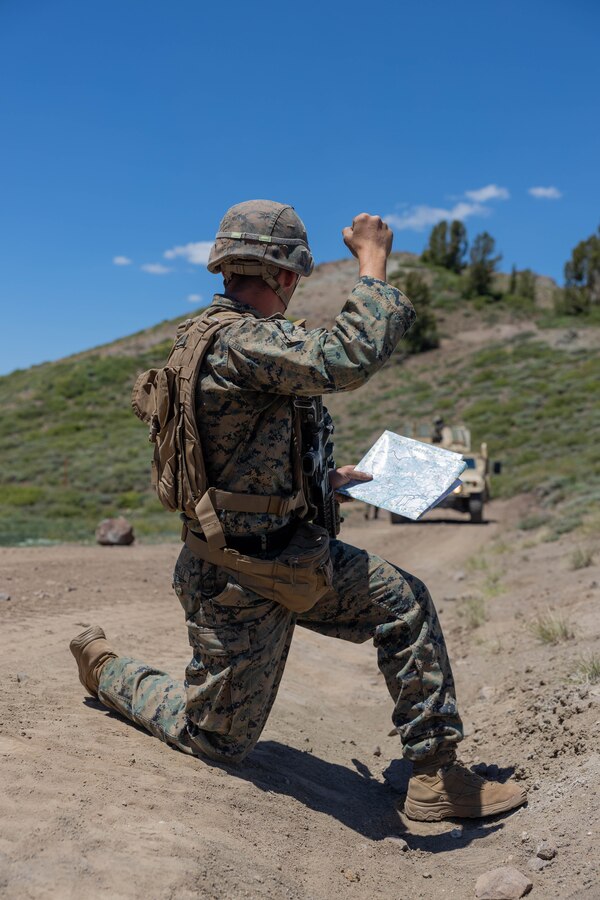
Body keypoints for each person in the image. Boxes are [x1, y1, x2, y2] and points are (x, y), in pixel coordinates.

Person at [70, 201, 526, 822]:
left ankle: (434, 775)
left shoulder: (220, 339)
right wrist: (373, 260)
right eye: (296, 281)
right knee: (216, 740)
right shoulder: (239, 339)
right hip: (237, 577)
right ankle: (109, 671)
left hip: (287, 549)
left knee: (402, 602)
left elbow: (239, 454)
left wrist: (319, 481)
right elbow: (347, 356)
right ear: (284, 275)